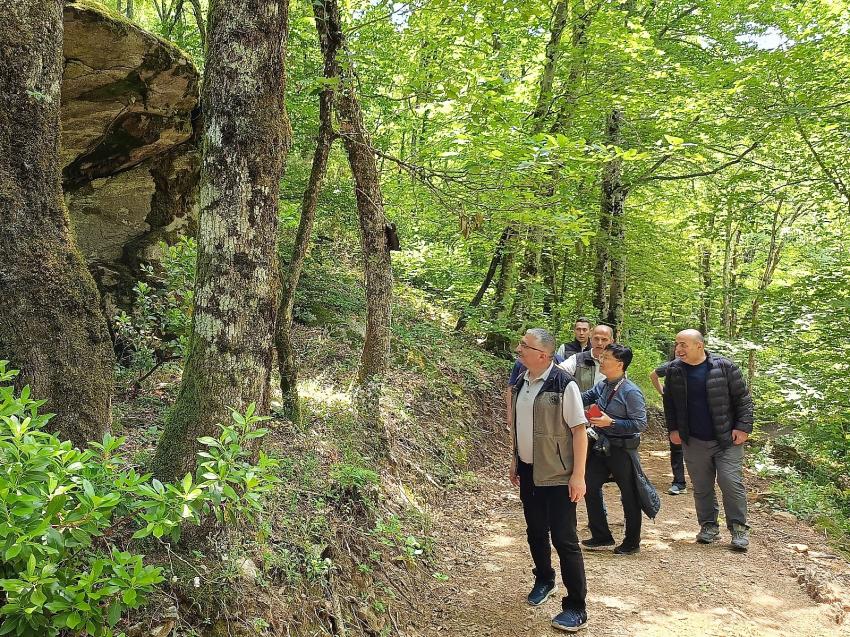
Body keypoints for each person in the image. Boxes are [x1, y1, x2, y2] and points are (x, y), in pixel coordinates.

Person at [508, 328, 589, 632]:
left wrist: (578, 476)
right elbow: (518, 426)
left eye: (524, 346)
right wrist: (516, 460)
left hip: (557, 475)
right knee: (535, 531)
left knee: (565, 540)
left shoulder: (563, 384)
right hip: (529, 471)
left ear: (542, 354)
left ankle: (576, 607)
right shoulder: (521, 380)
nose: (519, 349)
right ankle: (544, 579)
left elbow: (579, 432)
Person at [662, 329, 754, 551]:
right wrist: (673, 429)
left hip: (726, 439)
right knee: (702, 486)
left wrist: (743, 427)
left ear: (699, 346)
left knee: (730, 482)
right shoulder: (674, 370)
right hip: (693, 440)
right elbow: (670, 403)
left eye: (683, 344)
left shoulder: (724, 367)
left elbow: (743, 399)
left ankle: (739, 528)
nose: (678, 349)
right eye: (677, 345)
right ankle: (709, 526)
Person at [580, 344, 648, 555]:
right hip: (602, 447)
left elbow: (640, 424)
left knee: (629, 494)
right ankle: (601, 535)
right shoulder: (603, 385)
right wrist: (565, 394)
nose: (601, 358)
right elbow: (584, 397)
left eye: (607, 357)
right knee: (589, 485)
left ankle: (632, 542)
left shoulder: (631, 391)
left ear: (619, 364)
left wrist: (611, 423)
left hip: (622, 450)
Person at [650, 361, 687, 495]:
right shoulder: (672, 365)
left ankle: (702, 482)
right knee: (676, 447)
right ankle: (679, 482)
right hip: (676, 412)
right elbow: (653, 374)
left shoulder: (703, 365)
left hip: (698, 414)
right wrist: (663, 393)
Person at [559, 325, 613, 392]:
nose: (599, 343)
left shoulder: (617, 362)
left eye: (604, 339)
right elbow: (558, 371)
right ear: (590, 339)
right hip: (582, 401)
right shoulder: (578, 359)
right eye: (596, 339)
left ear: (611, 341)